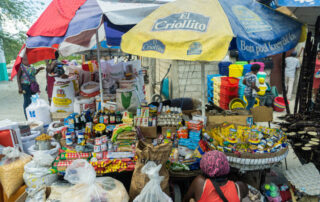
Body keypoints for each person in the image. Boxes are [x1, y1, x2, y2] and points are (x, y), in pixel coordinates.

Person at [184, 151, 248, 202]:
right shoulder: (240, 187)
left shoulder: (200, 182)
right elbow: (245, 192)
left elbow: (186, 199)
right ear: (226, 166)